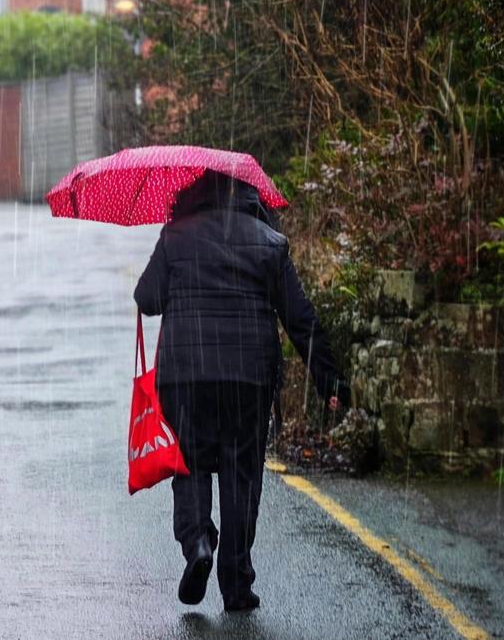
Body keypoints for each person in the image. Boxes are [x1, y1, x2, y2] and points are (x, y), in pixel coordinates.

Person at [133, 170, 349, 612]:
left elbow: (146, 298)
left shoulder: (176, 235)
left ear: (192, 193)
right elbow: (299, 318)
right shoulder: (269, 242)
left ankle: (197, 544)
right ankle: (237, 584)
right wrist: (328, 378)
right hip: (248, 379)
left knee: (189, 463)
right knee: (241, 476)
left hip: (187, 373)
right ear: (251, 197)